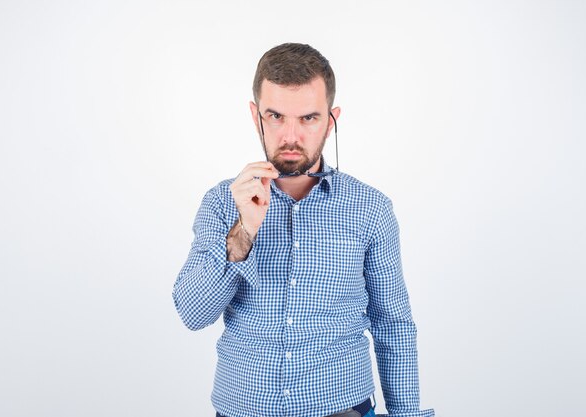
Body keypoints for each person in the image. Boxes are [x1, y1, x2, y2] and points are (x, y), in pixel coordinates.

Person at [172, 43, 434, 417]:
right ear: (255, 116)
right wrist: (244, 230)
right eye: (276, 116)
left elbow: (394, 326)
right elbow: (194, 313)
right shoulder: (221, 203)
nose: (290, 136)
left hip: (343, 409)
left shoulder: (370, 209)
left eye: (308, 118)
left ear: (331, 120)